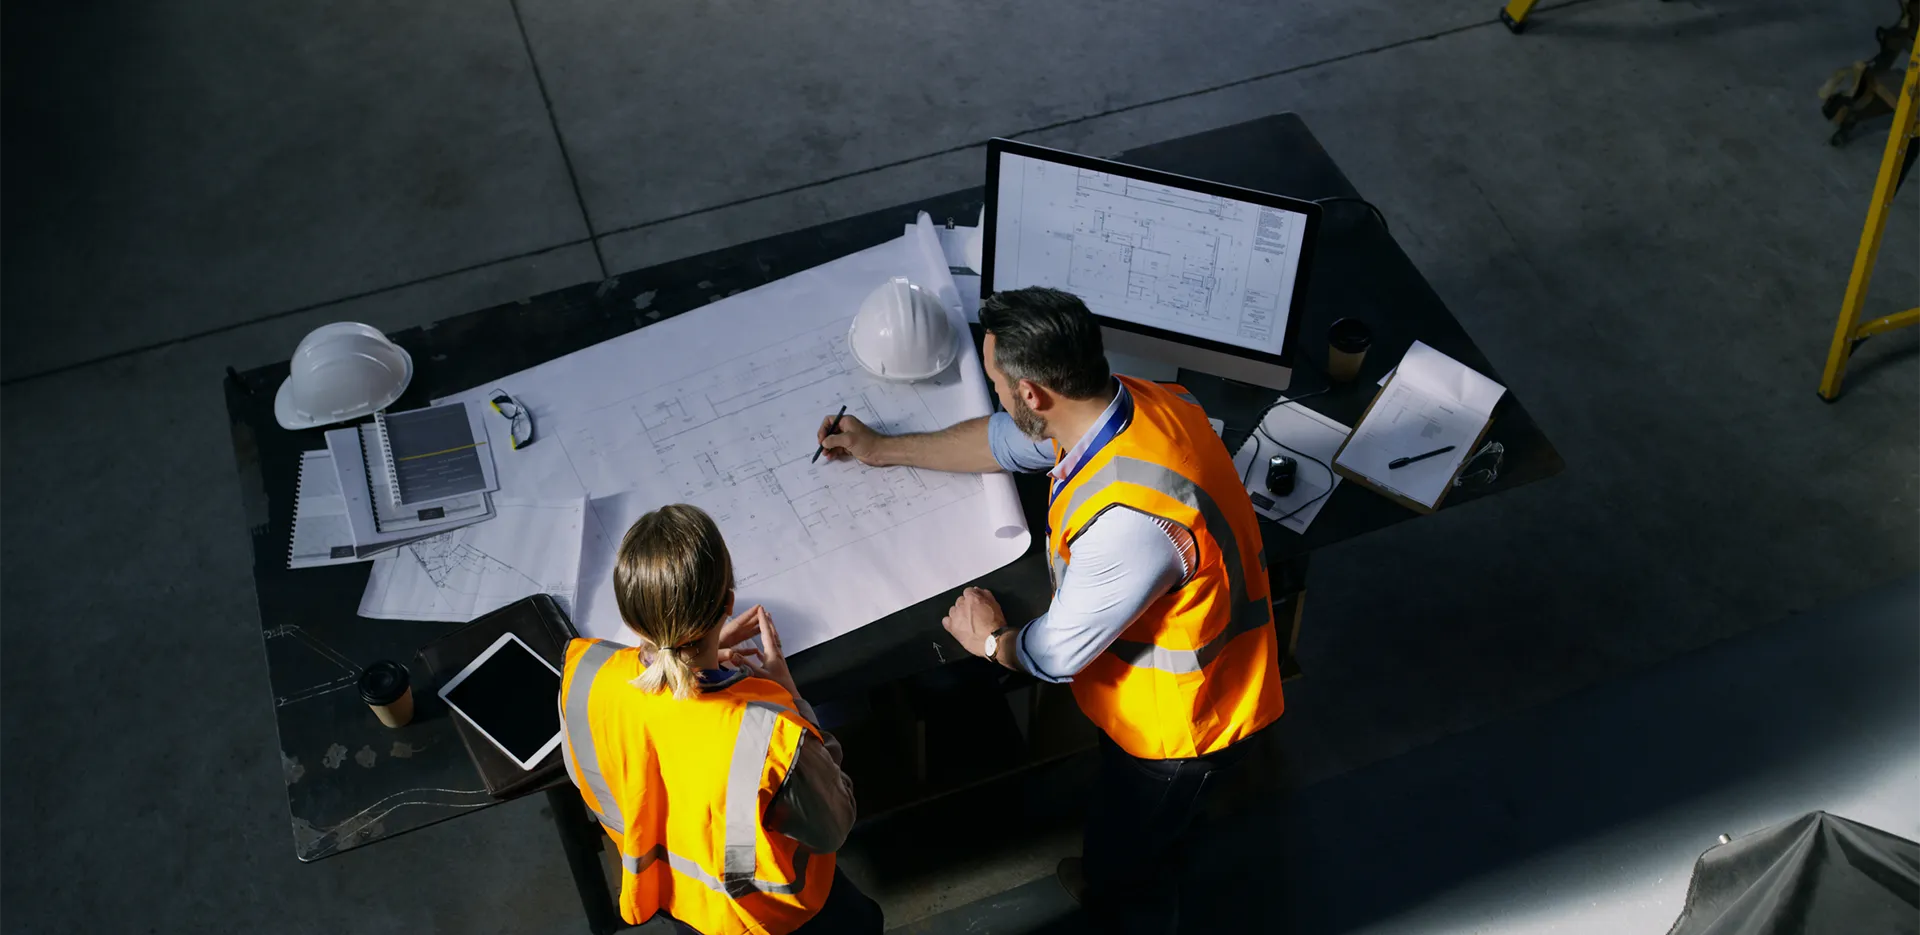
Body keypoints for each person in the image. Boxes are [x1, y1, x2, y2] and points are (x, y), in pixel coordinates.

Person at [817, 286, 1284, 933]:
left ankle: (1127, 905)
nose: (999, 399)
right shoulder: (1130, 404)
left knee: (1133, 855)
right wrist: (882, 447)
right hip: (1185, 685)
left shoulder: (1132, 522)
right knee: (1141, 827)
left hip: (1186, 726)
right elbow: (1006, 442)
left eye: (998, 385)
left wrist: (989, 640)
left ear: (1034, 393)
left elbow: (1055, 654)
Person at [556, 504, 883, 935]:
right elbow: (833, 824)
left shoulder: (586, 674)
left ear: (630, 615)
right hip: (770, 919)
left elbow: (594, 773)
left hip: (680, 903)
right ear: (728, 602)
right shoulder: (771, 737)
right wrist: (791, 695)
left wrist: (694, 654)